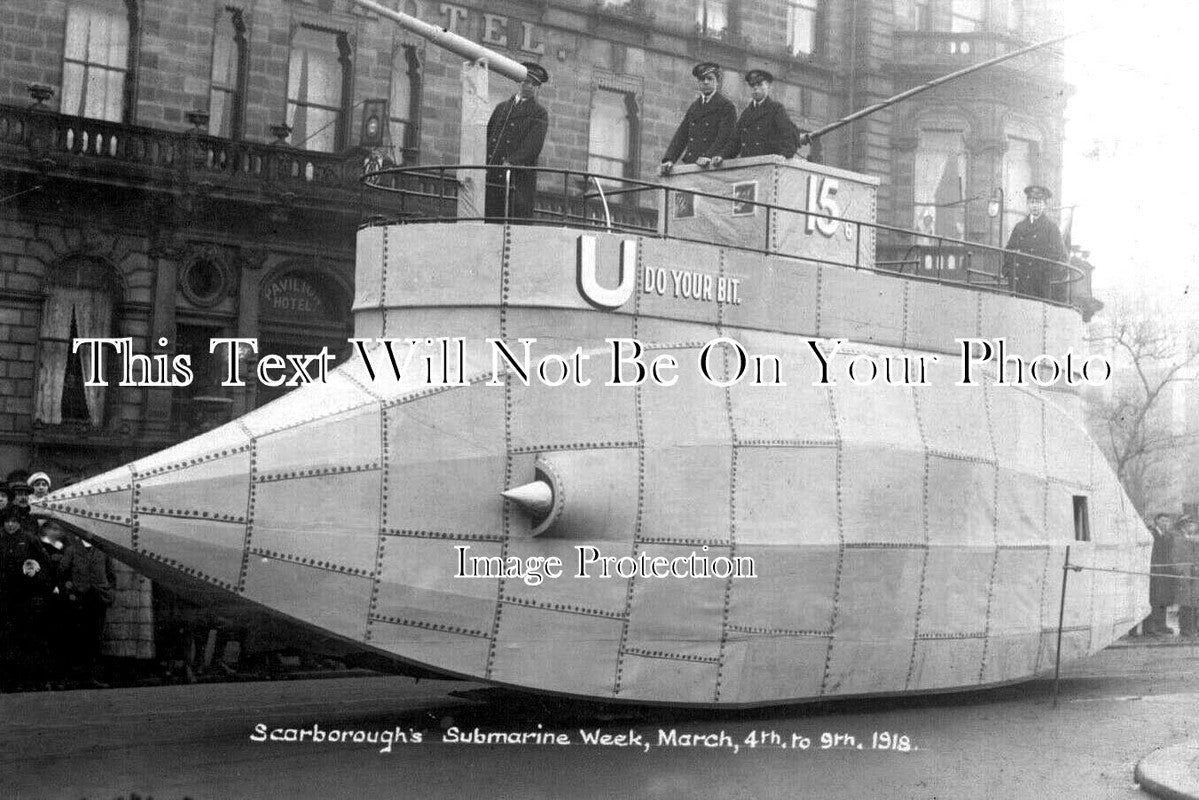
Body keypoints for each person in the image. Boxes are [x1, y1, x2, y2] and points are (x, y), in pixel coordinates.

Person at [485, 61, 550, 222]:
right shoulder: (502, 108)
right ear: (519, 81)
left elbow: (532, 147)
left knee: (510, 221)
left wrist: (511, 163)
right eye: (527, 81)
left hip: (516, 182)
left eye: (534, 84)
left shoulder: (539, 113)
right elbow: (488, 136)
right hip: (491, 177)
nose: (529, 86)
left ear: (538, 88)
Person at [0, 507, 52, 691]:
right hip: (5, 597)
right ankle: (8, 681)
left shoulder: (29, 539)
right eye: (7, 521)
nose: (10, 525)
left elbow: (46, 563)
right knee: (7, 639)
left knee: (28, 638)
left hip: (27, 596)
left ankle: (30, 680)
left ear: (20, 522)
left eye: (14, 521)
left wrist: (36, 576)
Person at [659, 62, 737, 175]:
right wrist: (669, 159)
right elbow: (681, 135)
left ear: (717, 81)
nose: (705, 82)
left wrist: (708, 156)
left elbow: (724, 137)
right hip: (692, 164)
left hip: (712, 166)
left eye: (709, 78)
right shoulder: (694, 107)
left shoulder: (726, 106)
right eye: (702, 79)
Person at [59, 532, 116, 688]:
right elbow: (62, 572)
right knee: (78, 637)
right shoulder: (72, 550)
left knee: (95, 637)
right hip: (79, 598)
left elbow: (111, 575)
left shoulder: (103, 551)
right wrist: (68, 589)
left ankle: (91, 676)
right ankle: (76, 676)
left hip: (98, 598)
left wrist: (109, 594)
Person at [716, 69, 801, 165]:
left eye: (760, 84)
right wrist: (721, 156)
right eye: (752, 85)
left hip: (767, 166)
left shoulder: (776, 109)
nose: (756, 88)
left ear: (768, 86)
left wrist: (783, 157)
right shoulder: (746, 113)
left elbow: (788, 137)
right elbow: (735, 142)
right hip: (748, 165)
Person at [1002, 184, 1066, 300]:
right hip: (1019, 284)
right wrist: (1009, 272)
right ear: (1027, 204)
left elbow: (1060, 256)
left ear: (1044, 205)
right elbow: (1009, 251)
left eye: (1038, 202)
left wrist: (1047, 275)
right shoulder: (1020, 227)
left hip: (1039, 286)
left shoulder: (1051, 228)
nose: (1034, 206)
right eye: (1032, 202)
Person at [1145, 512, 1177, 635]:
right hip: (1154, 571)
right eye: (1163, 520)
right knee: (1153, 599)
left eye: (1167, 521)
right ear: (1157, 521)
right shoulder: (1151, 534)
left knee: (1164, 598)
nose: (1165, 523)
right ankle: (1150, 627)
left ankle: (1162, 625)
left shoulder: (1168, 536)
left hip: (1165, 571)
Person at [1175, 517, 1199, 638]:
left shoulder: (1194, 539)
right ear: (1182, 525)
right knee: (1185, 604)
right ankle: (1185, 629)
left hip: (1195, 577)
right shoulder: (1179, 539)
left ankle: (1194, 628)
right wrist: (1181, 571)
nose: (1192, 526)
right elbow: (1175, 557)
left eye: (1193, 524)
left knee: (1195, 602)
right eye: (1189, 524)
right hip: (1185, 576)